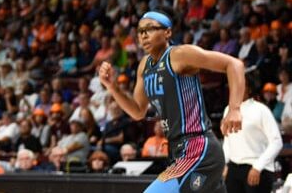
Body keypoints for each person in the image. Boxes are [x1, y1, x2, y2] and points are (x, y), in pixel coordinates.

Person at [98, 11, 245, 193]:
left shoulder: (179, 55)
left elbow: (234, 65)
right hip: (177, 151)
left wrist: (234, 109)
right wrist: (113, 87)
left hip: (197, 148)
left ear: (167, 32)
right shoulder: (144, 66)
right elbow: (138, 111)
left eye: (150, 29)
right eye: (140, 31)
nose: (144, 35)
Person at [222, 76, 282, 193]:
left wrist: (257, 167)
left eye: (240, 86)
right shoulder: (227, 110)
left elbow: (276, 142)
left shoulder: (261, 110)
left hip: (257, 167)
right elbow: (228, 140)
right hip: (233, 168)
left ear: (249, 89)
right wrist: (224, 164)